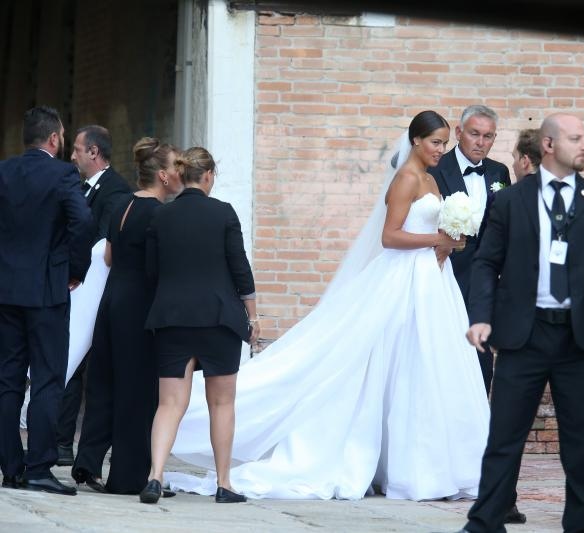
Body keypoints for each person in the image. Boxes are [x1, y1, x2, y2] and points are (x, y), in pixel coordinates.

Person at [162, 110, 489, 502]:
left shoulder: (432, 179)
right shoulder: (405, 178)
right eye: (435, 142)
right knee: (396, 363)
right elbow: (390, 236)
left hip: (432, 282)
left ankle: (427, 462)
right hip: (403, 277)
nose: (441, 150)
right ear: (416, 140)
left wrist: (451, 240)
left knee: (428, 366)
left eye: (444, 144)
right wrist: (435, 240)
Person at [458, 113, 584, 533]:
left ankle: (581, 522)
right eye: (575, 138)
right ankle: (485, 522)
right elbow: (487, 263)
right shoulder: (510, 201)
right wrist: (481, 317)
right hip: (524, 335)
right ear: (547, 144)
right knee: (504, 437)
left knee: (582, 442)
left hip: (582, 340)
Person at [140, 147, 258, 504]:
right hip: (218, 319)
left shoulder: (161, 216)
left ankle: (155, 476)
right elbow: (240, 268)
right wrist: (252, 317)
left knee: (169, 404)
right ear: (207, 176)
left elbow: (151, 271)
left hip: (172, 318)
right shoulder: (223, 213)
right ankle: (224, 484)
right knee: (221, 404)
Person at [71, 138, 183, 494]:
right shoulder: (162, 215)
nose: (181, 172)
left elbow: (107, 258)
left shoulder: (122, 204)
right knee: (137, 389)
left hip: (112, 300)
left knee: (103, 381)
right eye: (176, 166)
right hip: (140, 306)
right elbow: (160, 268)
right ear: (163, 176)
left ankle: (86, 461)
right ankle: (128, 476)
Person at [0, 106, 93, 495]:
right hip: (47, 291)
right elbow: (83, 222)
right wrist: (75, 269)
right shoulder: (63, 174)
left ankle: (10, 467)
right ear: (54, 139)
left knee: (6, 379)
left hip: (6, 289)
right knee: (48, 378)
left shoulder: (4, 171)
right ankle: (38, 466)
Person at [56, 124, 132, 467]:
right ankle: (59, 440)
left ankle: (63, 443)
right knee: (67, 362)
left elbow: (103, 243)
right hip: (76, 289)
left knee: (78, 364)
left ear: (94, 153)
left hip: (94, 294)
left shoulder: (115, 191)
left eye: (76, 149)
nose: (71, 155)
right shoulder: (79, 184)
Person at [429, 105, 511, 396]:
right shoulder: (435, 168)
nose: (481, 142)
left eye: (488, 136)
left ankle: (476, 423)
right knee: (442, 348)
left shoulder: (500, 172)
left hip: (485, 280)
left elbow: (503, 226)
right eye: (474, 134)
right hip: (445, 272)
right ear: (459, 132)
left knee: (481, 354)